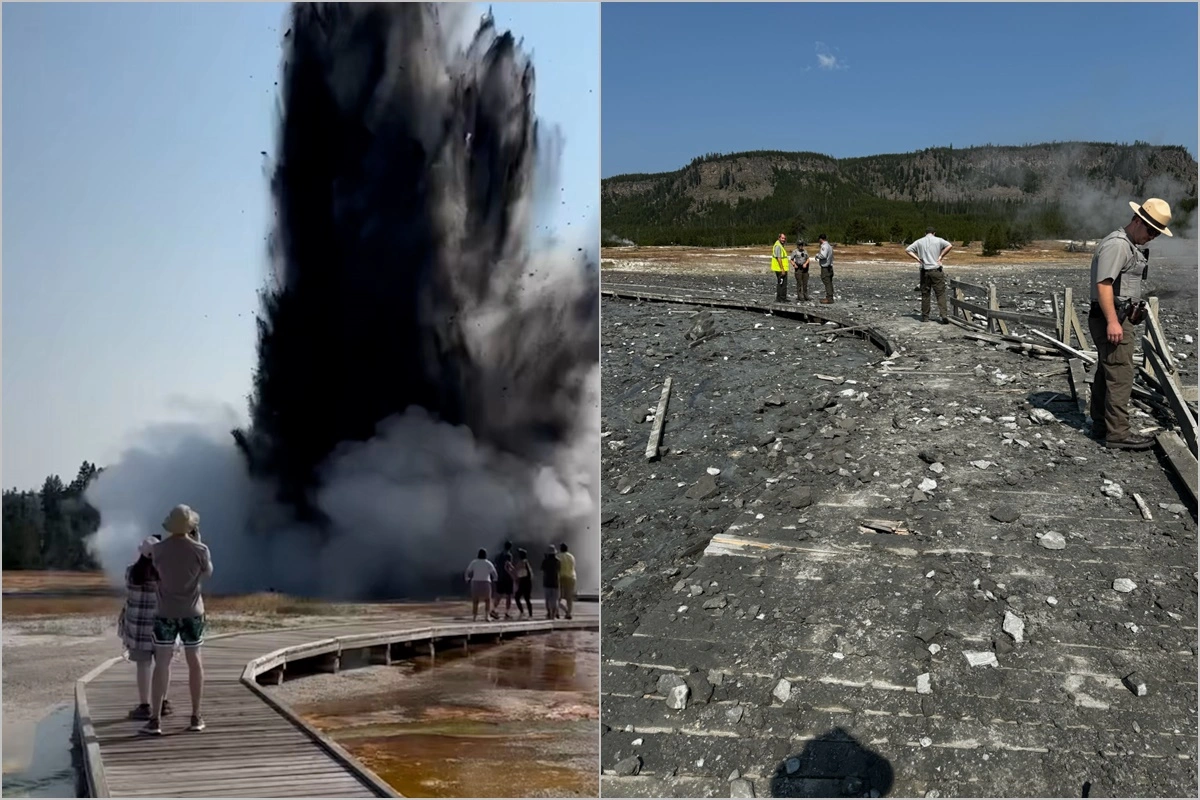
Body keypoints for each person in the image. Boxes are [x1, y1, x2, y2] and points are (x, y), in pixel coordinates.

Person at [1087, 197, 1172, 451]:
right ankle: (1118, 434)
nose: (1152, 236)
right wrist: (1113, 321)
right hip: (1112, 319)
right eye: (1151, 230)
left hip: (1115, 316)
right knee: (1121, 374)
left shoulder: (1127, 245)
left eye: (1157, 233)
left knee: (1108, 371)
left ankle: (1102, 425)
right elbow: (1103, 285)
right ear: (1137, 220)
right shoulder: (1118, 245)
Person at [140, 504, 212, 736]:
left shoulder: (159, 550)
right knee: (195, 662)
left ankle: (155, 719)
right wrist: (198, 541)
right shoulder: (201, 549)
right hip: (192, 612)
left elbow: (148, 558)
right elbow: (207, 572)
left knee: (162, 663)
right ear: (191, 526)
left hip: (165, 612)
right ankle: (196, 716)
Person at [119, 535, 173, 721]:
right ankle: (164, 702)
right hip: (162, 627)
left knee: (143, 666)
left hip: (138, 629)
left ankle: (145, 705)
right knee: (163, 665)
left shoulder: (130, 572)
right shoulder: (166, 574)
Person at [905, 226, 954, 323]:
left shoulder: (919, 241)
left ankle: (925, 317)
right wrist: (940, 256)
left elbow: (908, 250)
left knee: (925, 294)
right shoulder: (939, 240)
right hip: (936, 269)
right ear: (934, 233)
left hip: (924, 270)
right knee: (940, 294)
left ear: (925, 233)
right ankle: (943, 315)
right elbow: (949, 245)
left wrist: (917, 259)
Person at [465, 548, 498, 622]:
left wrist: (467, 578)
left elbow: (468, 571)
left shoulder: (474, 562)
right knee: (487, 600)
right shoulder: (488, 563)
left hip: (475, 582)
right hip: (486, 582)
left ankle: (474, 617)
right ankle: (486, 616)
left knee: (475, 601)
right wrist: (495, 579)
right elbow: (494, 573)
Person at [492, 540, 515, 620]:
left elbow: (495, 565)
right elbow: (508, 566)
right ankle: (507, 613)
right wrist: (513, 573)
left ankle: (493, 610)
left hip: (500, 577)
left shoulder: (498, 555)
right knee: (508, 595)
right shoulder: (509, 555)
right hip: (507, 577)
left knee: (499, 595)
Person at [557, 543, 577, 620]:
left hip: (561, 577)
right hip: (571, 577)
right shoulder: (571, 557)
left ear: (560, 549)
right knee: (569, 597)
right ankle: (568, 613)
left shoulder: (558, 556)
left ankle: (557, 612)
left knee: (559, 596)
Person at [512, 548, 534, 619]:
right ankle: (529, 614)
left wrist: (509, 567)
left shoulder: (522, 562)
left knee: (518, 597)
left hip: (524, 581)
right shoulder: (525, 562)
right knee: (526, 598)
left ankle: (524, 612)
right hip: (526, 581)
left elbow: (516, 570)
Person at [540, 546, 560, 620]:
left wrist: (545, 558)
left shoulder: (545, 561)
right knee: (554, 600)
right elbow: (558, 570)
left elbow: (542, 569)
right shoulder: (558, 561)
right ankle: (553, 615)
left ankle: (549, 612)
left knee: (547, 600)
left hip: (547, 582)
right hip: (555, 582)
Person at [770, 233, 790, 302]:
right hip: (780, 269)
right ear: (779, 238)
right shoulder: (778, 246)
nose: (783, 240)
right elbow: (779, 258)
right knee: (783, 284)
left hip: (779, 268)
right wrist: (782, 269)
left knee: (780, 283)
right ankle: (782, 298)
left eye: (784, 238)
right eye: (782, 238)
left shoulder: (779, 245)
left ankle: (779, 298)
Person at [816, 234, 835, 303]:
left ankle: (829, 298)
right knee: (829, 282)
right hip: (830, 266)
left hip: (825, 267)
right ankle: (830, 296)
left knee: (827, 282)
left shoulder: (824, 246)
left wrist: (817, 255)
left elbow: (823, 255)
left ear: (821, 239)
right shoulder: (830, 246)